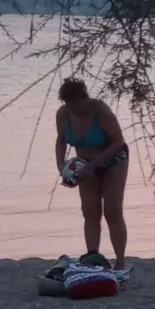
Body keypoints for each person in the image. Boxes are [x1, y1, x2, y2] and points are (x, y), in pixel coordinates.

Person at [54, 78, 130, 272]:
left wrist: (96, 164)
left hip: (114, 161)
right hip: (85, 165)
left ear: (84, 97)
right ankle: (93, 256)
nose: (74, 107)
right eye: (69, 102)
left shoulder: (100, 111)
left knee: (112, 211)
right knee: (90, 212)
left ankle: (120, 260)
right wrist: (62, 167)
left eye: (77, 101)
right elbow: (61, 141)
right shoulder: (63, 115)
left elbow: (118, 142)